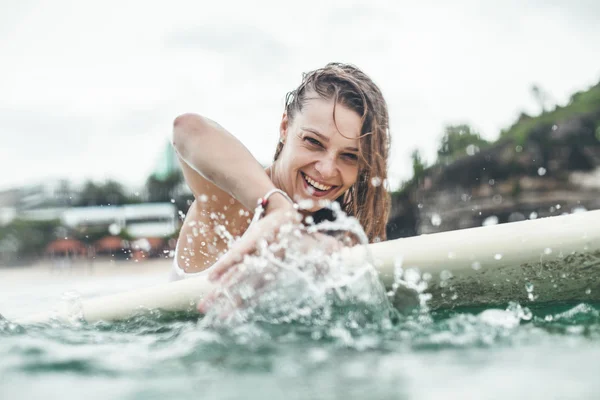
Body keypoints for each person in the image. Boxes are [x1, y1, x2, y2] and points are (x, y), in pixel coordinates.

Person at [171, 63, 391, 309]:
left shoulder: (343, 229)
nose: (327, 170)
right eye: (313, 142)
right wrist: (278, 207)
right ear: (285, 127)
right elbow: (186, 128)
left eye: (350, 156)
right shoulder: (230, 204)